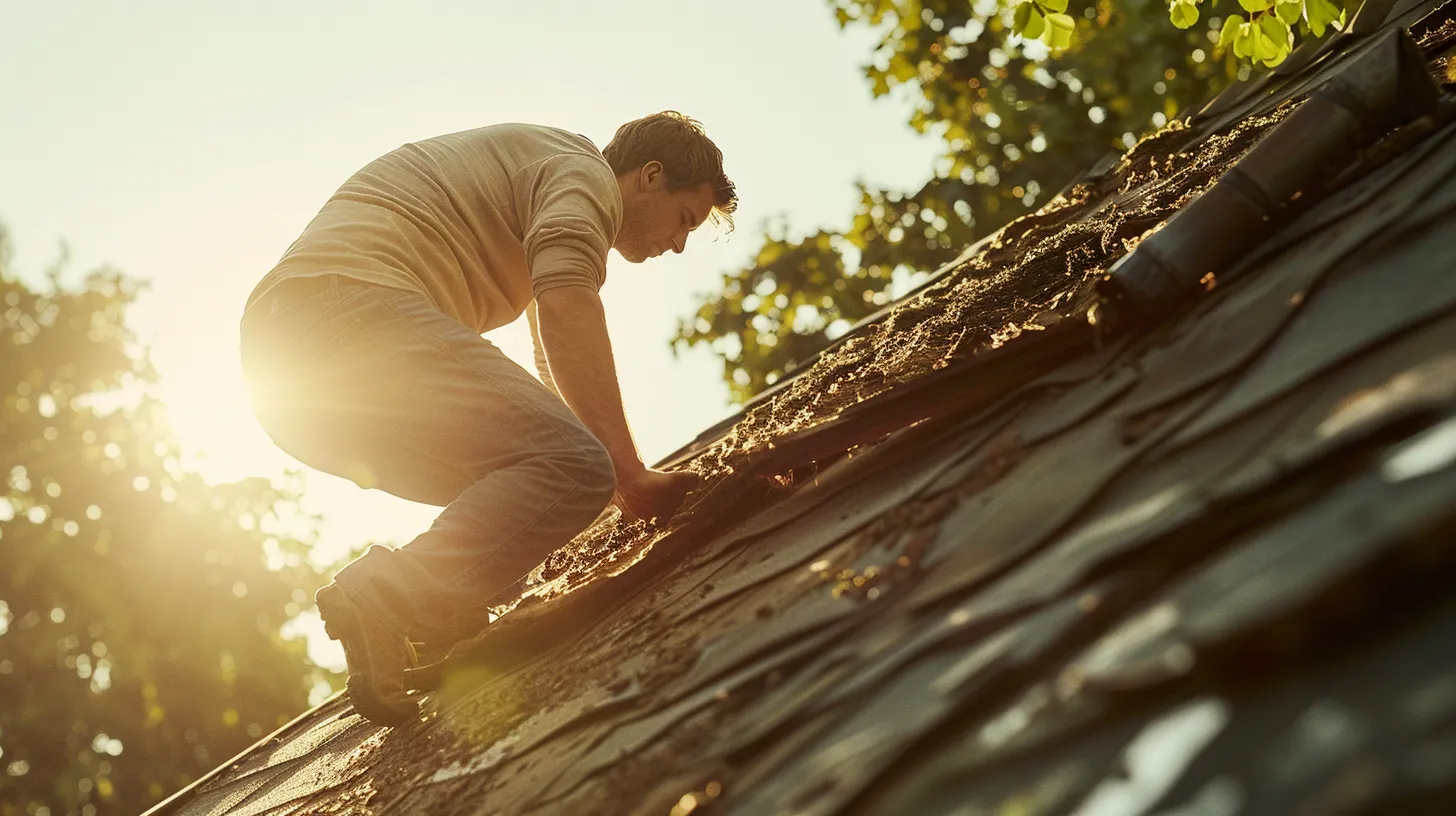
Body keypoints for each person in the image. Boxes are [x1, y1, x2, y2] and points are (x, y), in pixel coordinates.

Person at [239, 111, 737, 725]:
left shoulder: (543, 187)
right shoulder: (583, 174)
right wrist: (626, 474)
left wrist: (587, 499)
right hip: (347, 312)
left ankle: (435, 622)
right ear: (650, 177)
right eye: (685, 220)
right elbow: (567, 302)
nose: (680, 244)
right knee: (578, 465)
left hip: (288, 373)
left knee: (529, 485)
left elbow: (546, 389)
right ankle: (390, 595)